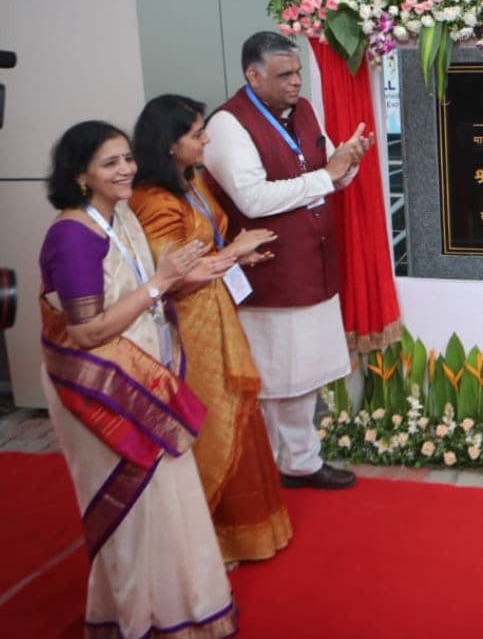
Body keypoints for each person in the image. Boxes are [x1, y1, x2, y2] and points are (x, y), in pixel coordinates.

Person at [38, 121, 236, 638]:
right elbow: (86, 331)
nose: (126, 169)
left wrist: (200, 270)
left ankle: (179, 612)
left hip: (144, 373)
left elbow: (146, 290)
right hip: (99, 388)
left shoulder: (120, 216)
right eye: (110, 163)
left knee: (169, 500)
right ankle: (135, 620)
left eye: (127, 158)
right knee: (135, 510)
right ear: (80, 175)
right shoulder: (72, 237)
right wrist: (160, 283)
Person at [203, 32, 372, 490]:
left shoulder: (304, 111)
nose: (296, 82)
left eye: (298, 72)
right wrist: (327, 175)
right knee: (272, 378)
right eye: (284, 75)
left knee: (305, 374)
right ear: (253, 76)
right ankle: (262, 466)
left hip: (313, 264)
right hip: (269, 271)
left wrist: (348, 161)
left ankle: (301, 462)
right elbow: (253, 199)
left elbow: (329, 173)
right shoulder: (228, 124)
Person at [130, 94, 293, 564]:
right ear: (169, 143)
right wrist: (234, 252)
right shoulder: (153, 201)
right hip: (186, 329)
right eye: (197, 133)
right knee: (210, 423)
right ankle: (208, 542)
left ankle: (246, 531)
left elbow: (207, 249)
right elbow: (171, 278)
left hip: (215, 311)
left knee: (237, 415)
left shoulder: (190, 181)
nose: (206, 140)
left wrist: (234, 256)